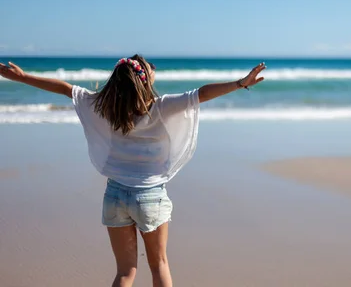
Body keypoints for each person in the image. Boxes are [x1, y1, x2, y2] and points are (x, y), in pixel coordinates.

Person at [0, 55, 266, 287]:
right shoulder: (161, 107)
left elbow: (65, 89)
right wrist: (240, 83)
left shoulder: (104, 108)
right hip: (150, 197)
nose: (153, 69)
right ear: (144, 80)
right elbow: (203, 93)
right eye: (149, 68)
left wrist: (22, 77)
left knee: (125, 272)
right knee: (159, 264)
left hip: (115, 196)